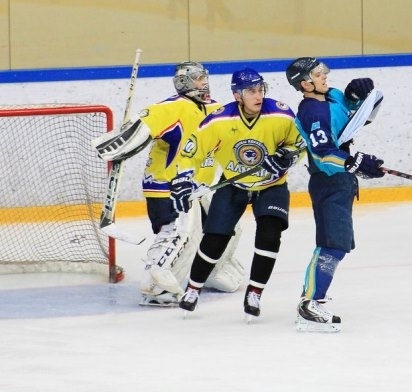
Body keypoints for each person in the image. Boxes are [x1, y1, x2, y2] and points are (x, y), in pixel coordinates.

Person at [93, 61, 245, 307]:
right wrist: (118, 144)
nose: (204, 82)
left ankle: (211, 271)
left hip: (198, 189)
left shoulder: (215, 109)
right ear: (184, 82)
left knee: (227, 226)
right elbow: (137, 132)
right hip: (167, 187)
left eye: (204, 77)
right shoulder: (171, 108)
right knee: (177, 233)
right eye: (198, 78)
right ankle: (155, 287)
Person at [170, 67, 304, 321]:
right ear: (237, 95)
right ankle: (193, 288)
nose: (258, 95)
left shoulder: (281, 114)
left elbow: (300, 143)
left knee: (270, 234)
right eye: (251, 91)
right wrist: (183, 178)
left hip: (272, 185)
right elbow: (191, 152)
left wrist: (289, 156)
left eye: (260, 89)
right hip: (233, 184)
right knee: (214, 239)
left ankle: (255, 293)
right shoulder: (219, 120)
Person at [285, 57, 386, 333]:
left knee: (337, 244)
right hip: (328, 181)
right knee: (332, 245)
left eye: (323, 72)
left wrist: (357, 97)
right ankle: (310, 303)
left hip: (341, 181)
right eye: (318, 74)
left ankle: (313, 297)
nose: (324, 77)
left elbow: (358, 119)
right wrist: (352, 162)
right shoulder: (312, 113)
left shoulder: (332, 95)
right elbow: (323, 154)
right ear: (305, 84)